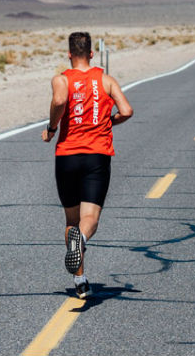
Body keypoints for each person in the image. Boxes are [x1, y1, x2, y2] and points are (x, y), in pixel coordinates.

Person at [42, 32, 133, 299]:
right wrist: (108, 122)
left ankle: (80, 281)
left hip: (67, 156)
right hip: (97, 156)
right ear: (92, 54)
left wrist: (52, 127)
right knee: (89, 219)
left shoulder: (61, 79)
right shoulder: (105, 80)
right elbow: (126, 110)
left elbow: (59, 100)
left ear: (69, 54)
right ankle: (80, 243)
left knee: (71, 220)